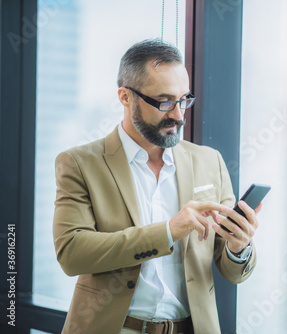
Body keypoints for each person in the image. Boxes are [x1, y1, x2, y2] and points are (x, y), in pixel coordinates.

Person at [53, 39, 259, 334]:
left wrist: (239, 246)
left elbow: (231, 270)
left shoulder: (208, 161)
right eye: (164, 102)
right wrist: (167, 232)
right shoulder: (80, 163)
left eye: (184, 100)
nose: (177, 114)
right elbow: (72, 254)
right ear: (125, 97)